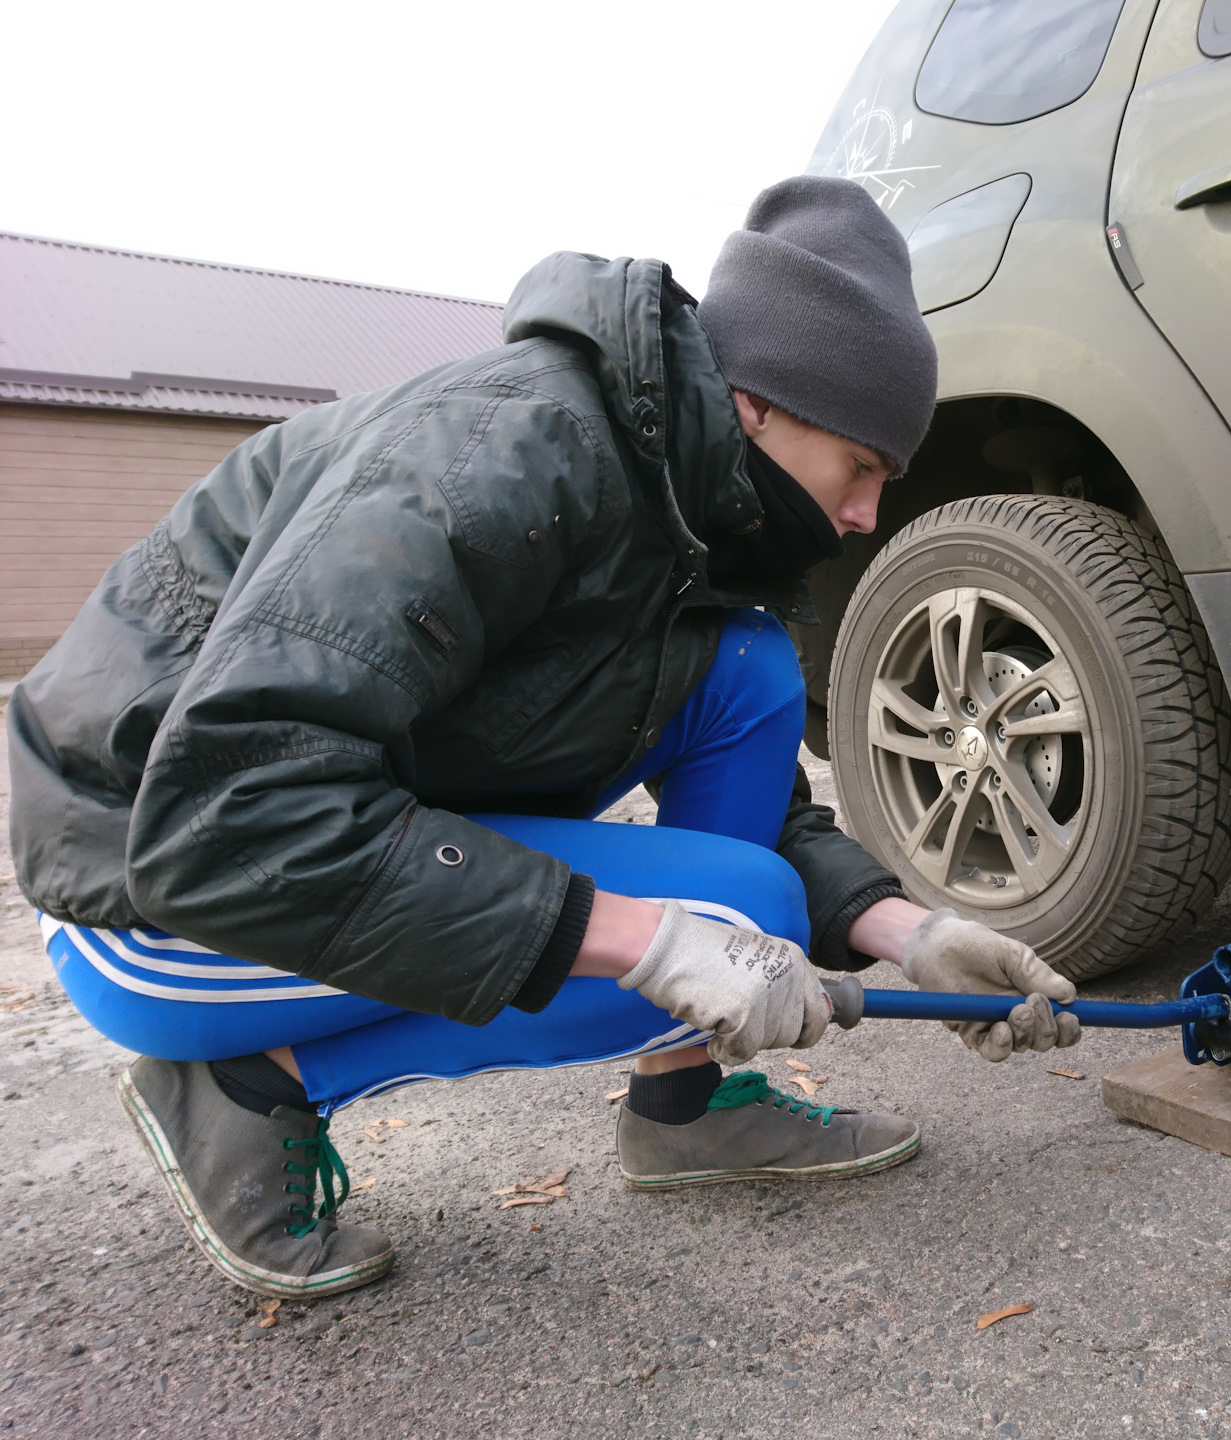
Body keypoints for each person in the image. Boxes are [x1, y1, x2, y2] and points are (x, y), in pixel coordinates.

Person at [5, 177, 1081, 1300]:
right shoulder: (492, 460)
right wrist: (656, 945)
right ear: (760, 404)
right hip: (154, 880)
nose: (866, 515)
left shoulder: (676, 505)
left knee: (748, 669)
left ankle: (686, 1104)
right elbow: (230, 812)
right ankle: (243, 1086)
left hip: (315, 824)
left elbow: (756, 795)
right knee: (732, 914)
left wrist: (906, 931)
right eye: (864, 468)